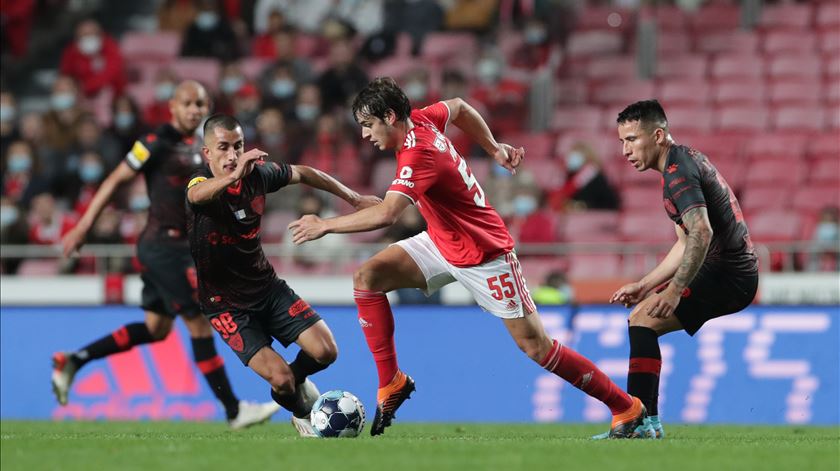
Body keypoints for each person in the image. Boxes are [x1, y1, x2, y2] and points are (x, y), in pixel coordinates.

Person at [288, 77, 646, 437]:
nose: (365, 134)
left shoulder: (418, 152)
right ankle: (391, 381)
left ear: (391, 117)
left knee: (537, 347)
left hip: (484, 254)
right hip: (442, 240)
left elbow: (387, 214)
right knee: (367, 278)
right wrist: (494, 149)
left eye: (368, 124)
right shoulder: (422, 119)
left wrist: (326, 225)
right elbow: (459, 107)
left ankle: (626, 407)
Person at [54, 81, 280, 430]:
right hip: (164, 248)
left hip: (180, 248)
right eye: (187, 103)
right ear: (172, 106)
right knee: (199, 321)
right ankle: (234, 410)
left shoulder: (207, 148)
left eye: (200, 103)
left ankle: (73, 359)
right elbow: (114, 180)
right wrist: (84, 226)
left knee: (156, 328)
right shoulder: (154, 143)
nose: (194, 110)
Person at [185, 114, 380, 436]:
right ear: (207, 153)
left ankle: (296, 379)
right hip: (225, 305)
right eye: (223, 147)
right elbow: (197, 196)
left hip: (267, 287)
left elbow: (304, 172)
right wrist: (232, 177)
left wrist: (354, 198)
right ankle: (303, 413)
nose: (232, 155)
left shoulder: (259, 176)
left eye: (238, 146)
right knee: (281, 381)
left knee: (326, 351)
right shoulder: (199, 182)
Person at [600, 99, 759, 439]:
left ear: (658, 135)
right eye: (622, 142)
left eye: (632, 139)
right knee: (641, 318)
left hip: (729, 273)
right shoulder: (680, 162)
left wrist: (673, 291)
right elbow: (686, 242)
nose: (625, 150)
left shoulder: (678, 171)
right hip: (730, 271)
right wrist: (645, 285)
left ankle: (640, 423)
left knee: (644, 320)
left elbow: (702, 232)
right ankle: (647, 423)